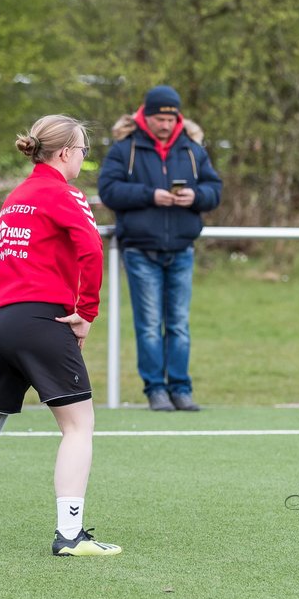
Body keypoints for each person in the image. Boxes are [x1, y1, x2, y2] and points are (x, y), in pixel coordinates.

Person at [0, 114, 121, 557]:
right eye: (82, 151)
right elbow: (91, 249)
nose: (82, 159)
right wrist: (86, 312)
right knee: (79, 426)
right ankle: (70, 536)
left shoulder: (16, 197)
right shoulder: (65, 193)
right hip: (41, 322)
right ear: (65, 153)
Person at [97, 85, 222, 412]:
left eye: (170, 118)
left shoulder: (193, 150)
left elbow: (214, 189)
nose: (165, 124)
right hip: (140, 249)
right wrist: (150, 195)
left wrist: (195, 197)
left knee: (179, 323)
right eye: (159, 118)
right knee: (149, 323)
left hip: (182, 247)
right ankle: (155, 389)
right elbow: (109, 191)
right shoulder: (125, 149)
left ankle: (181, 389)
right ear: (145, 116)